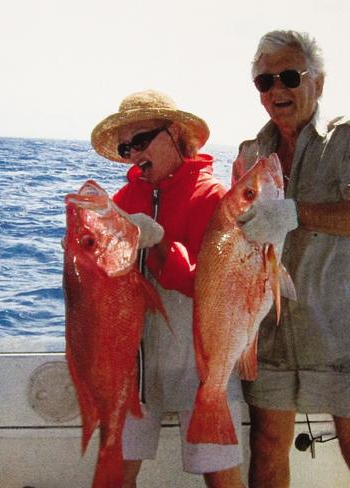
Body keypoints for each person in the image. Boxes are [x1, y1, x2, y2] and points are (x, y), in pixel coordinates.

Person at [232, 30, 350, 488]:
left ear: (318, 83)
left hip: (341, 333)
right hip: (270, 333)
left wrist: (293, 212)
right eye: (265, 82)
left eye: (289, 76)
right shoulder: (250, 154)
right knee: (266, 446)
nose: (277, 90)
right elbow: (236, 241)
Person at [91, 90, 245, 488]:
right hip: (136, 366)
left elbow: (209, 287)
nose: (132, 154)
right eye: (126, 148)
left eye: (140, 141)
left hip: (202, 364)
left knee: (222, 478)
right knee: (113, 476)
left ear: (175, 133)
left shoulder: (215, 199)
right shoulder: (123, 200)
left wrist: (159, 243)